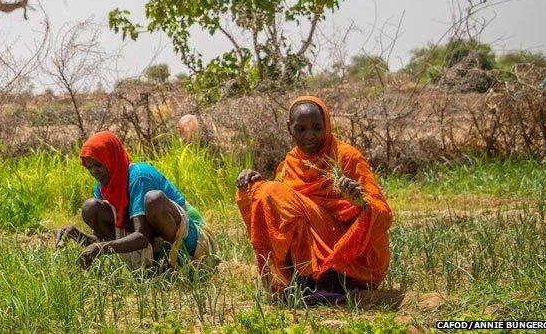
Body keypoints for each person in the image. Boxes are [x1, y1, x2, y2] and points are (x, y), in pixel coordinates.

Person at [235, 96, 392, 298]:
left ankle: (331, 279)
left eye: (317, 127)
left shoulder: (346, 157)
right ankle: (303, 280)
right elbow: (281, 213)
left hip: (352, 259)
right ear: (289, 128)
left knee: (271, 192)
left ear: (327, 125)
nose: (310, 135)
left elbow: (383, 213)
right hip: (313, 263)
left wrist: (360, 203)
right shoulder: (289, 164)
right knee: (257, 192)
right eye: (301, 129)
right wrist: (258, 182)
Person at [56, 131, 216, 271]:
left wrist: (101, 249)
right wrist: (77, 236)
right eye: (89, 168)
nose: (94, 172)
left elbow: (141, 237)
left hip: (194, 239)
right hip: (153, 240)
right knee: (90, 207)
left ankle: (180, 264)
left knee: (154, 200)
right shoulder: (104, 186)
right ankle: (154, 265)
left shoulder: (139, 176)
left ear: (112, 159)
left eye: (98, 165)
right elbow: (105, 240)